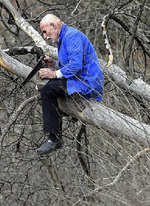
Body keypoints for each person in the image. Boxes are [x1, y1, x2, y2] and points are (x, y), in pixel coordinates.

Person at [36, 14, 104, 155]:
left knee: (48, 90)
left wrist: (54, 74)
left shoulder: (71, 36)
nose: (44, 36)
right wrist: (54, 64)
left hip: (87, 82)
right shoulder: (64, 37)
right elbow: (69, 64)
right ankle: (62, 116)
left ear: (53, 26)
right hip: (80, 79)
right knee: (48, 88)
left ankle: (54, 139)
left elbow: (75, 66)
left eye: (44, 31)